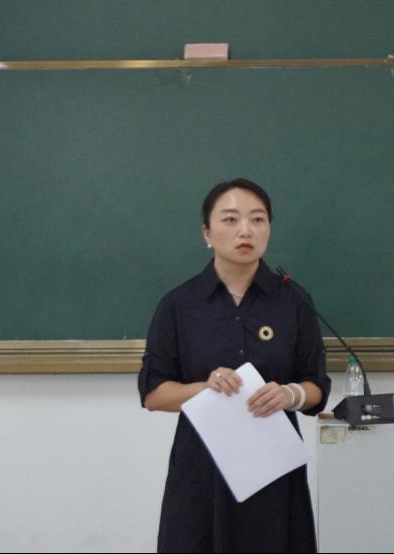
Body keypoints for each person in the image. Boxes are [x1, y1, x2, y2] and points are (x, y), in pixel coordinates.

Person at [138, 178, 331, 553]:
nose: (246, 230)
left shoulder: (293, 300)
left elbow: (316, 387)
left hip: (275, 469)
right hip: (202, 468)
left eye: (258, 219)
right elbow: (153, 394)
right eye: (230, 220)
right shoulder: (179, 304)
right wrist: (204, 388)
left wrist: (290, 394)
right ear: (207, 233)